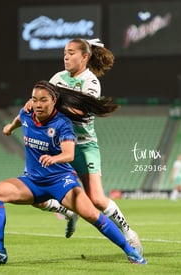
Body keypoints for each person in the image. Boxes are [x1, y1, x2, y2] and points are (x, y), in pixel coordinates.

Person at [0, 81, 146, 265]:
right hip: (33, 182)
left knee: (93, 216)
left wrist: (54, 158)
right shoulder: (27, 113)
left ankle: (131, 252)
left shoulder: (62, 124)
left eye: (43, 100)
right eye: (34, 99)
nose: (38, 104)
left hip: (61, 182)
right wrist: (10, 127)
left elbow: (69, 153)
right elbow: (19, 118)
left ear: (54, 101)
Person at [24, 38, 143, 255]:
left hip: (84, 146)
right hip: (57, 148)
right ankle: (68, 212)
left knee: (96, 199)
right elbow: (42, 103)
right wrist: (34, 104)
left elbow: (78, 112)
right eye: (64, 53)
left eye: (71, 53)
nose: (66, 57)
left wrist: (47, 104)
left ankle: (128, 233)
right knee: (35, 197)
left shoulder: (91, 82)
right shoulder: (57, 78)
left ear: (85, 57)